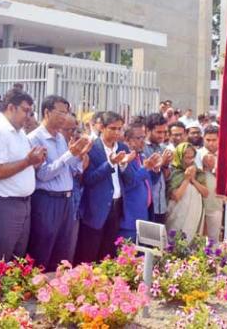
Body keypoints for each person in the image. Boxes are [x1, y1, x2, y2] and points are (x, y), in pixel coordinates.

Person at [27, 96, 91, 271]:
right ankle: (36, 294)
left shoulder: (61, 138)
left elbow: (69, 169)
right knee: (42, 252)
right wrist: (69, 155)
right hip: (47, 200)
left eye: (67, 112)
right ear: (47, 112)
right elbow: (43, 174)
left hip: (66, 200)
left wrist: (79, 156)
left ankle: (56, 295)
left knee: (62, 255)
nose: (64, 117)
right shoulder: (35, 138)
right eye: (61, 112)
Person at [0, 89, 46, 262]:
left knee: (16, 264)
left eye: (30, 112)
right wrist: (27, 161)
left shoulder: (19, 131)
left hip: (23, 204)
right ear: (11, 107)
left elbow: (22, 164)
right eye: (25, 110)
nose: (29, 116)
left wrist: (35, 161)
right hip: (3, 205)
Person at [75, 111, 136, 264]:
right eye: (112, 128)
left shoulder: (122, 147)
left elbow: (129, 180)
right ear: (101, 127)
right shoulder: (92, 148)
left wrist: (123, 164)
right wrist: (110, 164)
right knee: (89, 255)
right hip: (95, 209)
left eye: (119, 129)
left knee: (108, 255)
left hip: (116, 207)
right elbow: (88, 180)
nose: (117, 132)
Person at [119, 122, 162, 241]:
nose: (142, 141)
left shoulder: (141, 156)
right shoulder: (124, 158)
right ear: (127, 139)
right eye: (139, 138)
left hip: (143, 217)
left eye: (144, 137)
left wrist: (156, 169)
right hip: (129, 220)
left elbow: (150, 182)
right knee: (128, 257)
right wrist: (145, 168)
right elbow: (129, 183)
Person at [60, 112, 89, 262]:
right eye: (68, 130)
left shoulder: (79, 149)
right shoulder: (59, 147)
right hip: (58, 205)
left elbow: (80, 178)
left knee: (69, 253)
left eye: (75, 129)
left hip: (75, 206)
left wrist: (81, 159)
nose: (72, 134)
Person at [166, 142, 208, 240]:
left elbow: (205, 193)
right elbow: (176, 196)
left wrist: (193, 180)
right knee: (174, 242)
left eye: (192, 157)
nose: (190, 161)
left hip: (194, 215)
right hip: (177, 215)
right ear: (179, 157)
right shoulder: (173, 172)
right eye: (187, 157)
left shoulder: (198, 173)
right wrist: (186, 179)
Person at [144, 113, 173, 224]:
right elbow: (147, 177)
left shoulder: (164, 148)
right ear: (148, 130)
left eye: (164, 132)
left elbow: (166, 177)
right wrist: (160, 164)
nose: (162, 136)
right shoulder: (143, 149)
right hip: (148, 205)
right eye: (158, 132)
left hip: (161, 204)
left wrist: (165, 165)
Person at [198, 125, 222, 242]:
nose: (211, 143)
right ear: (203, 138)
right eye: (208, 140)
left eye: (214, 140)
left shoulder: (224, 156)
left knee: (213, 239)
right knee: (197, 238)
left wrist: (212, 169)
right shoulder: (196, 154)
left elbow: (226, 180)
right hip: (197, 204)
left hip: (215, 204)